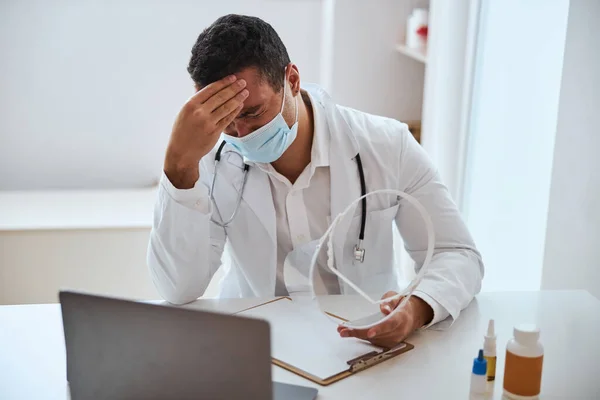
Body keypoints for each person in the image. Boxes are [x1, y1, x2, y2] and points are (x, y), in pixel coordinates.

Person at [148, 14, 484, 348]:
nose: (241, 134)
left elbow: (457, 253)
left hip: (363, 345)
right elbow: (178, 289)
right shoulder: (205, 162)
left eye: (252, 113)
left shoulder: (386, 145)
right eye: (225, 120)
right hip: (256, 347)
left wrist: (417, 308)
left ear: (291, 79)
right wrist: (178, 166)